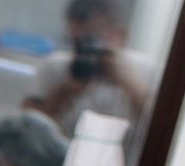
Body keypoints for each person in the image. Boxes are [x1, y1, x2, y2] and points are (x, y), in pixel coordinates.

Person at [29, 0, 153, 137]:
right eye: (77, 42)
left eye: (94, 40)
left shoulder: (146, 71)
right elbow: (26, 124)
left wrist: (131, 85)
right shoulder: (55, 67)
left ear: (121, 36)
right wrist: (64, 92)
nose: (86, 49)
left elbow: (163, 125)